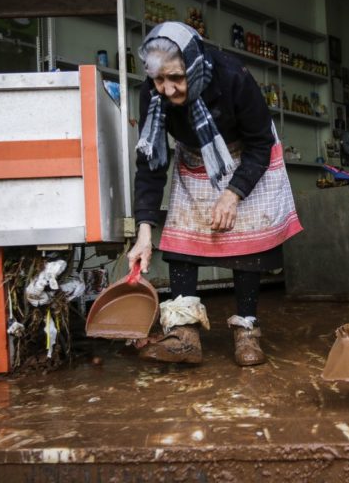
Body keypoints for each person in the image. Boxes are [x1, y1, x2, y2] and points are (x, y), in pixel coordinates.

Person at [127, 22, 303, 366]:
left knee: (246, 236)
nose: (167, 89)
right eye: (159, 80)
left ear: (193, 63)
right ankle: (184, 334)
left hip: (248, 153)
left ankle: (247, 330)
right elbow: (149, 164)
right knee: (180, 239)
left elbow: (260, 143)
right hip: (194, 155)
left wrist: (234, 193)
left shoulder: (233, 76)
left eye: (176, 77)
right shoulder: (152, 94)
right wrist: (144, 230)